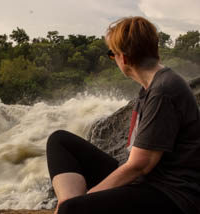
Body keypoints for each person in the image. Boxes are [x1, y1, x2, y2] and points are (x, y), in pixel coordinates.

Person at [46, 16, 200, 214]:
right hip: (147, 181)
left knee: (74, 208)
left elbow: (139, 166)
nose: (114, 59)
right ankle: (70, 205)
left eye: (112, 54)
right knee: (60, 141)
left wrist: (89, 197)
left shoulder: (163, 91)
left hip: (172, 194)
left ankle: (73, 208)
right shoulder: (151, 87)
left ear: (124, 58)